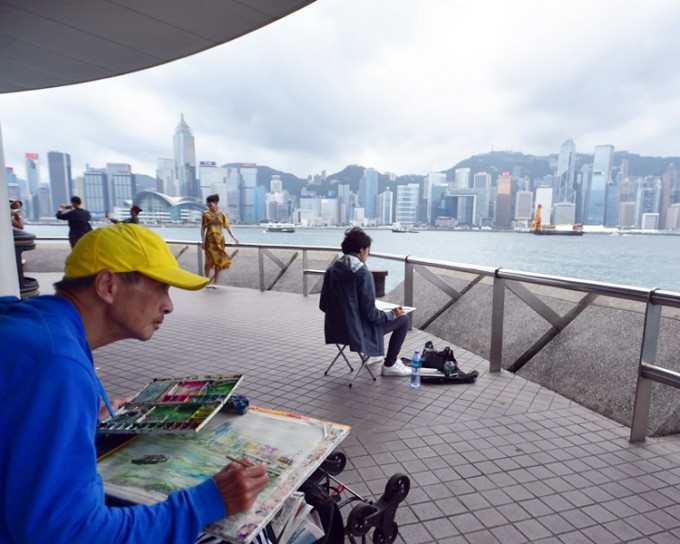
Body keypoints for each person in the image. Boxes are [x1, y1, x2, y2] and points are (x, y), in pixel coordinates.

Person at [0, 223, 270, 543]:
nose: (169, 305)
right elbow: (67, 534)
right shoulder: (57, 364)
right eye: (160, 287)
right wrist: (206, 501)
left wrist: (85, 424)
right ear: (107, 285)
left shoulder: (32, 325)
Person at [320, 227, 411, 377]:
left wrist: (347, 314)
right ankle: (390, 365)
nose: (368, 253)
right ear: (362, 250)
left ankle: (374, 354)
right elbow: (371, 315)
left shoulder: (332, 270)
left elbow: (323, 305)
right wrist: (392, 314)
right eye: (368, 249)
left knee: (377, 315)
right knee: (403, 319)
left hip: (336, 330)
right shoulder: (363, 274)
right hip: (357, 333)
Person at [201, 194, 239, 288]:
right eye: (208, 202)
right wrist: (202, 241)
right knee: (208, 261)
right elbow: (203, 228)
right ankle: (207, 281)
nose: (209, 204)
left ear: (216, 202)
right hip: (209, 240)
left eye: (211, 202)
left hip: (220, 240)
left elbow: (227, 226)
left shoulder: (222, 214)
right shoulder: (205, 214)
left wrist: (233, 236)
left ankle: (215, 283)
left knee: (218, 261)